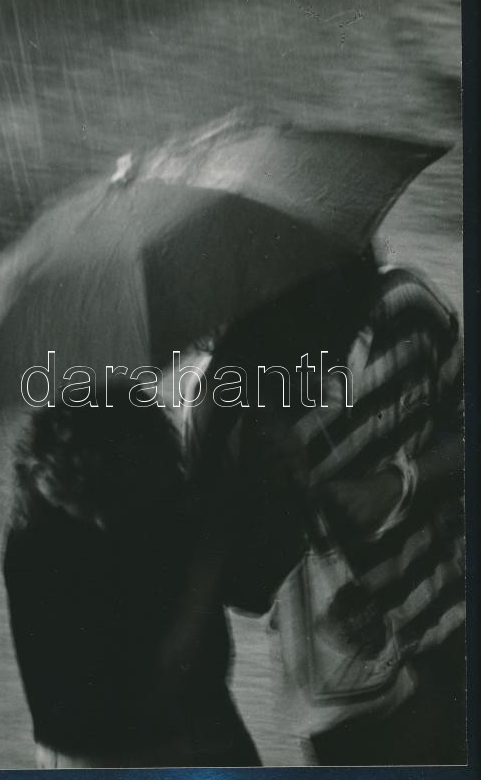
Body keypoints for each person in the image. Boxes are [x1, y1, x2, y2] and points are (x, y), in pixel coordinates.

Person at [183, 252, 465, 765]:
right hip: (353, 700)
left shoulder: (407, 310)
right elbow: (243, 591)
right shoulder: (223, 402)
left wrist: (398, 483)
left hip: (458, 634)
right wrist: (269, 496)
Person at [2, 387, 260, 768]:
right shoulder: (72, 546)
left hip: (81, 751)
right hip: (135, 751)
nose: (103, 520)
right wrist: (207, 565)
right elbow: (157, 682)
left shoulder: (33, 527)